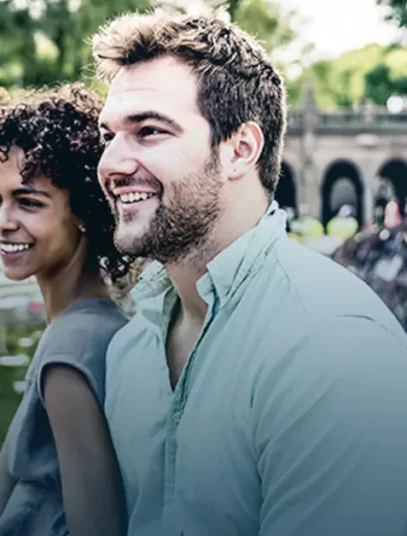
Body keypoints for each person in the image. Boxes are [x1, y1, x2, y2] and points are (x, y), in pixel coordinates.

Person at [91, 11, 407, 536]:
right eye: (110, 135)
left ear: (240, 150)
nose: (111, 162)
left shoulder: (333, 348)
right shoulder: (131, 347)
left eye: (148, 131)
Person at [0, 84, 133, 536]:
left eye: (28, 202)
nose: (2, 221)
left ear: (85, 211)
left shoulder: (70, 348)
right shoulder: (92, 326)